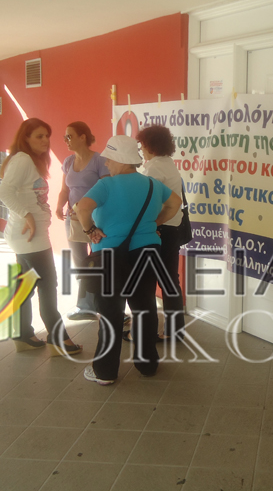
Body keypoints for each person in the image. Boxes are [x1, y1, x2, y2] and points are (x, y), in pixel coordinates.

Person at [75, 135, 181, 384]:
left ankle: (105, 372)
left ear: (121, 160)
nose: (106, 163)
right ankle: (147, 365)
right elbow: (175, 203)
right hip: (147, 253)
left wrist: (90, 230)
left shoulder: (106, 185)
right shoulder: (152, 184)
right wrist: (154, 223)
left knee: (110, 313)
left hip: (110, 256)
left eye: (109, 159)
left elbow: (82, 207)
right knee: (145, 308)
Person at [0, 117, 82, 356]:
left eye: (47, 136)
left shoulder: (28, 160)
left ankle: (23, 335)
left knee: (26, 286)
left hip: (27, 235)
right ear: (25, 138)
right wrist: (28, 215)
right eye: (39, 136)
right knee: (47, 285)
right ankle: (58, 339)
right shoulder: (23, 159)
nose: (46, 140)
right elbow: (4, 191)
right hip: (29, 235)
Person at [55, 121, 109, 320]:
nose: (66, 140)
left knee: (98, 261)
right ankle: (85, 305)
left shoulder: (99, 161)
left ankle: (104, 304)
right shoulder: (68, 162)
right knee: (79, 262)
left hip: (96, 219)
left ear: (82, 137)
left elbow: (106, 188)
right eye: (65, 137)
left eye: (69, 136)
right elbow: (65, 189)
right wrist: (59, 206)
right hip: (73, 220)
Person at [136, 124, 186, 340]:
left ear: (150, 145)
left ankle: (148, 333)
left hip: (160, 230)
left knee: (148, 281)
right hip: (172, 228)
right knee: (170, 280)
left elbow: (148, 201)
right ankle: (175, 330)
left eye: (142, 145)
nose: (141, 150)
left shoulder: (155, 168)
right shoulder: (167, 163)